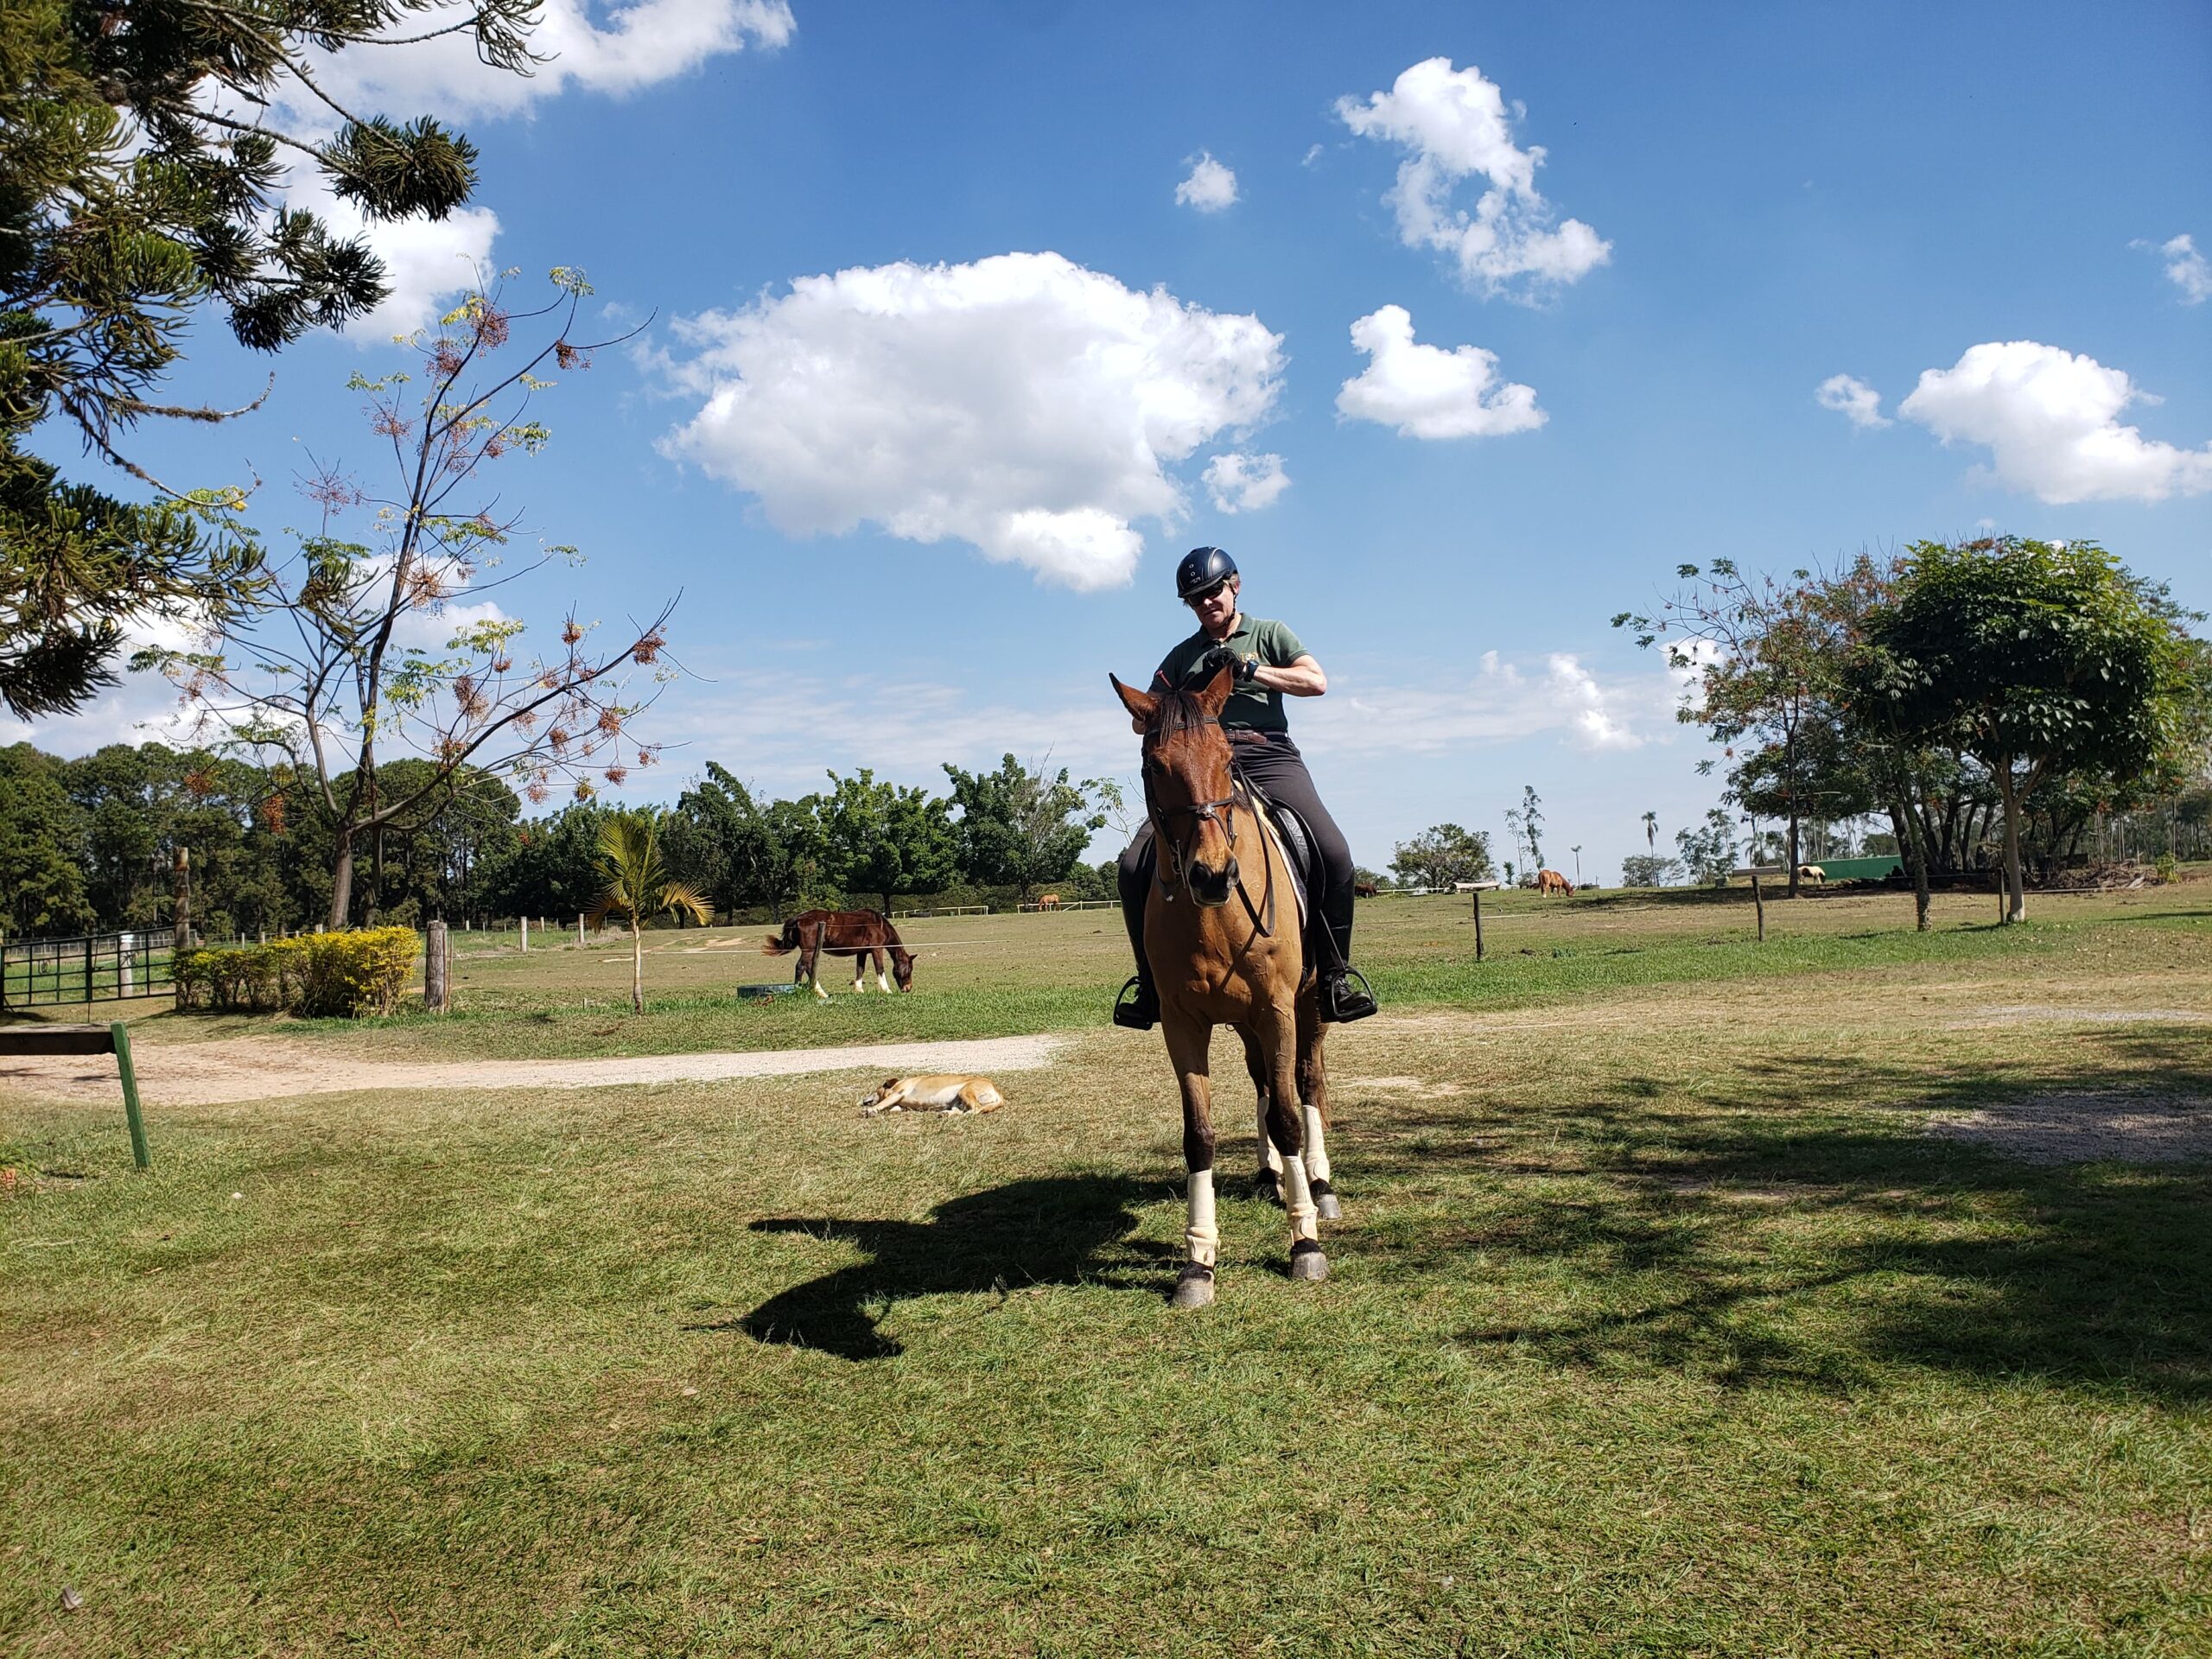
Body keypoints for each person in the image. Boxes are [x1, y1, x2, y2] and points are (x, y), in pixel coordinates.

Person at [1113, 545, 1377, 1028]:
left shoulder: (1271, 633)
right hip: (1202, 764)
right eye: (1195, 599)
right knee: (1133, 865)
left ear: (1233, 585)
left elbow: (1315, 682)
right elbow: (1140, 723)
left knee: (1335, 854)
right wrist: (1176, 704)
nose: (1207, 603)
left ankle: (1336, 976)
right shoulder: (1181, 656)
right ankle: (1149, 985)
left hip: (1268, 753)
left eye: (1213, 591)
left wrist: (1251, 670)